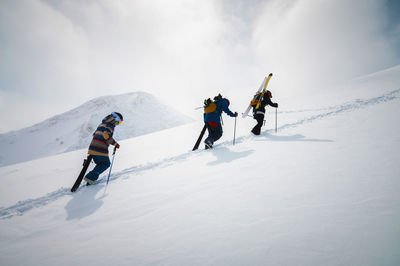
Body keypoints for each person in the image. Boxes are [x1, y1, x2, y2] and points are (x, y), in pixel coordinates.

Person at [84, 112, 123, 185]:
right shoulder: (110, 126)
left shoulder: (102, 123)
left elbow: (94, 134)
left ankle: (90, 181)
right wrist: (115, 144)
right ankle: (90, 178)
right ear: (115, 119)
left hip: (92, 147)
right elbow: (106, 136)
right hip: (100, 148)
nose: (117, 124)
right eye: (119, 122)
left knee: (100, 164)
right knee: (106, 164)